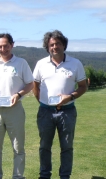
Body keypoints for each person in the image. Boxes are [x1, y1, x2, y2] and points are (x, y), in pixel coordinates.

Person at [33, 30, 87, 179]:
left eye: (58, 43)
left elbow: (83, 86)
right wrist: (42, 102)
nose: (54, 47)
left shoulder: (75, 63)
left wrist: (69, 97)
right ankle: (44, 175)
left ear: (64, 45)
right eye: (51, 44)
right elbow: (35, 86)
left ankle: (65, 176)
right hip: (45, 112)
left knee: (67, 147)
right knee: (44, 147)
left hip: (67, 111)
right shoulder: (41, 64)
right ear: (47, 47)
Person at [0, 33, 34, 179]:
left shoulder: (21, 63)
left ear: (12, 45)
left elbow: (30, 84)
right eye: (0, 46)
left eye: (6, 45)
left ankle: (18, 176)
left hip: (15, 110)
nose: (3, 49)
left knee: (18, 147)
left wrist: (18, 95)